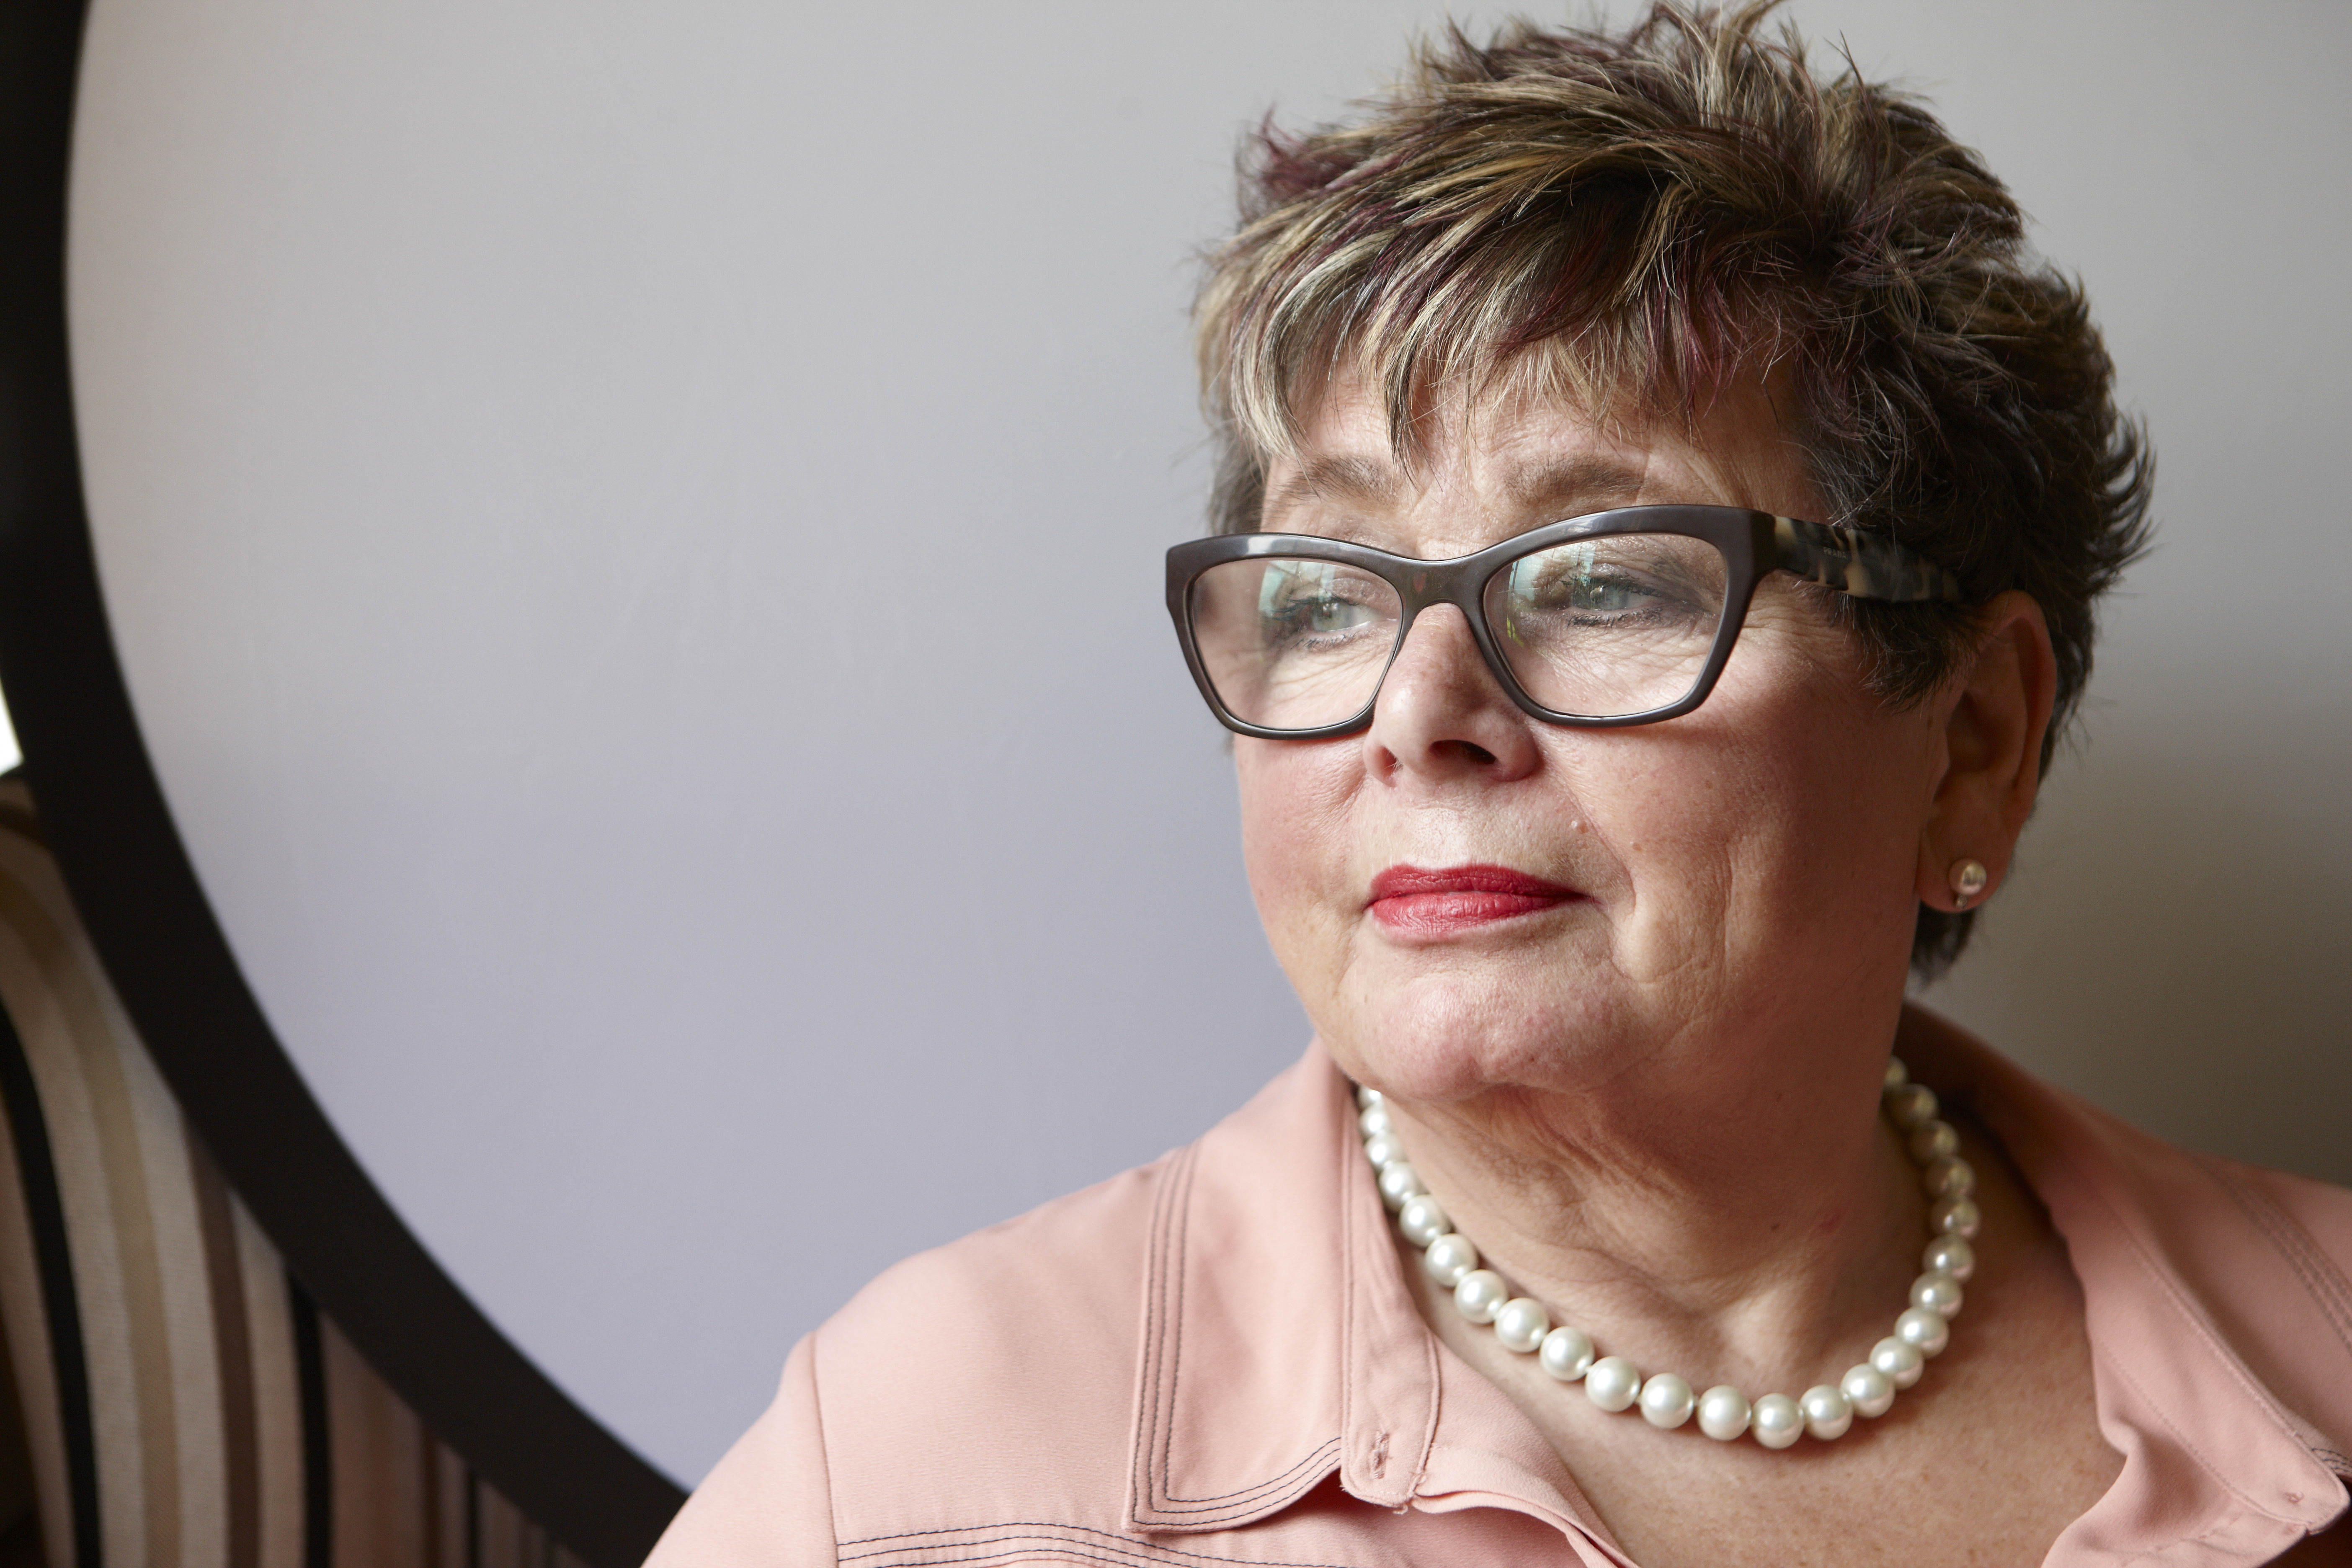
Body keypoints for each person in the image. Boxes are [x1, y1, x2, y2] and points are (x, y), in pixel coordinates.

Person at [645, 7, 2352, 1563]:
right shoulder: (907, 1480)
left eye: (1606, 575)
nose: (1419, 711)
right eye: (1325, 592)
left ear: (1972, 740)